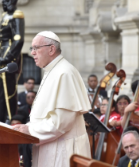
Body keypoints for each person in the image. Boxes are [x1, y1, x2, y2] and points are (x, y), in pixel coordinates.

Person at [13, 31, 91, 167]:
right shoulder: (52, 70)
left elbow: (61, 123)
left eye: (36, 48)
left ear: (51, 49)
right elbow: (45, 117)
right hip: (51, 147)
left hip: (63, 152)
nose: (32, 53)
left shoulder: (64, 73)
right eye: (32, 48)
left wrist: (30, 131)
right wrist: (27, 127)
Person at [0, 0, 24, 122]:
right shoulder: (4, 16)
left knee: (9, 90)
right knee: (0, 90)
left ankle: (10, 118)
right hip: (2, 53)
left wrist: (8, 57)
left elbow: (18, 39)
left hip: (9, 56)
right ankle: (0, 116)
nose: (3, 1)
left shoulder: (17, 15)